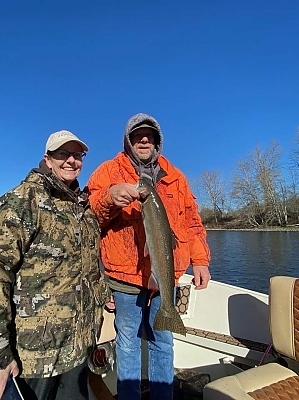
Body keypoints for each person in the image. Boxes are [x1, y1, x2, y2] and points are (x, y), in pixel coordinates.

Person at [0, 130, 110, 400]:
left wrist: (104, 293)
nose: (71, 160)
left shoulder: (82, 210)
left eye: (77, 154)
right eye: (63, 154)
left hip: (78, 348)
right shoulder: (22, 201)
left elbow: (88, 268)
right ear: (47, 159)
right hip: (34, 356)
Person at [86, 113, 211, 400]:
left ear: (157, 142)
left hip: (165, 277)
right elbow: (89, 220)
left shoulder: (176, 177)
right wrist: (108, 199)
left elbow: (192, 221)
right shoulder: (107, 172)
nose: (144, 140)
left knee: (163, 343)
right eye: (137, 136)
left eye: (150, 136)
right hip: (123, 279)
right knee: (127, 344)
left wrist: (200, 260)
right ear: (128, 141)